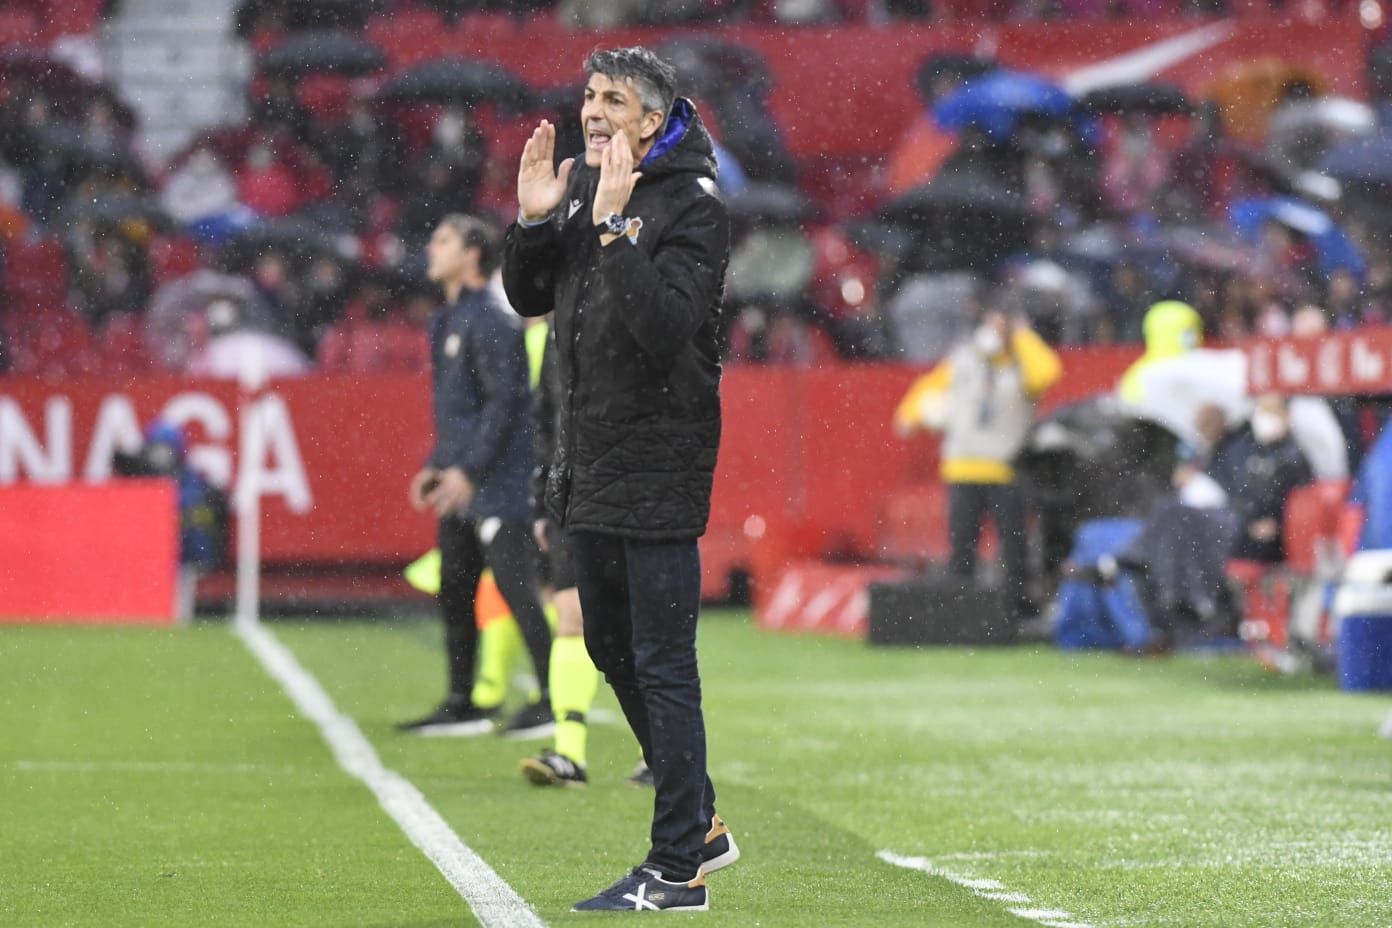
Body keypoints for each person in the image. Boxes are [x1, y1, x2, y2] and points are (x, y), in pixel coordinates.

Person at [502, 46, 738, 913]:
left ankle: (678, 867)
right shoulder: (584, 185)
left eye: (611, 100)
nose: (592, 110)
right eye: (588, 96)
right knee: (606, 646)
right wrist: (534, 222)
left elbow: (666, 328)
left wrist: (610, 224)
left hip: (660, 460)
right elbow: (532, 299)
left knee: (663, 661)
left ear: (650, 117)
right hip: (588, 460)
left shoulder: (694, 206)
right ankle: (702, 819)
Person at [399, 214, 555, 739]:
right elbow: (460, 408)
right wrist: (438, 465)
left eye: (442, 239)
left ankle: (552, 696)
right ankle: (463, 700)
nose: (430, 246)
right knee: (455, 587)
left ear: (472, 254)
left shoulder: (489, 317)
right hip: (463, 475)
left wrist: (470, 469)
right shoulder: (447, 319)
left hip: (499, 480)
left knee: (517, 587)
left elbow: (506, 402)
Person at [894, 306, 1062, 620]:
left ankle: (1015, 614)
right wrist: (918, 415)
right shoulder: (964, 360)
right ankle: (962, 614)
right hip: (962, 469)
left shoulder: (1021, 363)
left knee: (1014, 551)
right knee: (962, 550)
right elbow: (918, 398)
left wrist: (1023, 337)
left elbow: (1048, 373)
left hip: (1006, 469)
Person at [1207, 393, 1314, 564]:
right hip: (1244, 533)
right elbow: (1239, 494)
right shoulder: (1248, 450)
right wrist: (1247, 522)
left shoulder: (1295, 457)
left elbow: (1301, 502)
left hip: (1278, 542)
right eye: (1262, 410)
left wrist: (1277, 522)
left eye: (1271, 411)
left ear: (1286, 416)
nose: (1265, 417)